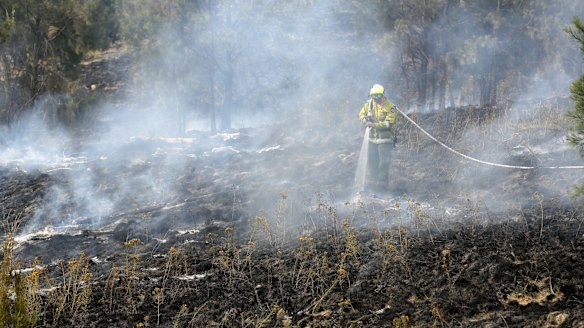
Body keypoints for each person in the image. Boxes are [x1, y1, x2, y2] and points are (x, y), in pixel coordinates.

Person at [358, 84, 398, 192]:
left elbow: (388, 123)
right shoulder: (369, 104)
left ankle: (382, 184)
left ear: (382, 95)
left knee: (384, 162)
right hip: (371, 139)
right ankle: (373, 183)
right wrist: (365, 120)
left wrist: (374, 125)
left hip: (385, 139)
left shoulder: (390, 107)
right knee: (372, 161)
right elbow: (361, 115)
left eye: (378, 97)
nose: (376, 100)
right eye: (373, 97)